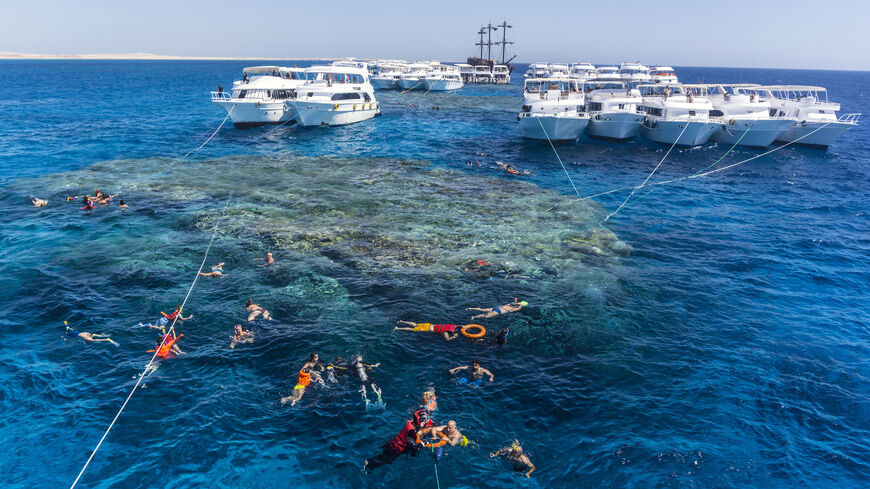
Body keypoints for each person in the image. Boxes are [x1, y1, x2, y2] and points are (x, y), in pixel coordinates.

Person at [364, 409, 433, 472]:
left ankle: (368, 462)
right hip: (395, 449)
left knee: (382, 456)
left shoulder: (411, 423)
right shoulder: (411, 432)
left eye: (426, 419)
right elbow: (415, 448)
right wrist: (423, 444)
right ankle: (367, 466)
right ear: (418, 420)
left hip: (393, 442)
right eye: (423, 419)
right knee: (384, 460)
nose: (424, 422)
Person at [394, 321, 459, 341]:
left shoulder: (451, 325)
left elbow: (459, 326)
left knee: (415, 325)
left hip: (428, 324)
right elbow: (447, 339)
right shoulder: (446, 332)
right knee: (413, 329)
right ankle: (397, 328)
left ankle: (402, 321)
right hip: (427, 329)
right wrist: (454, 337)